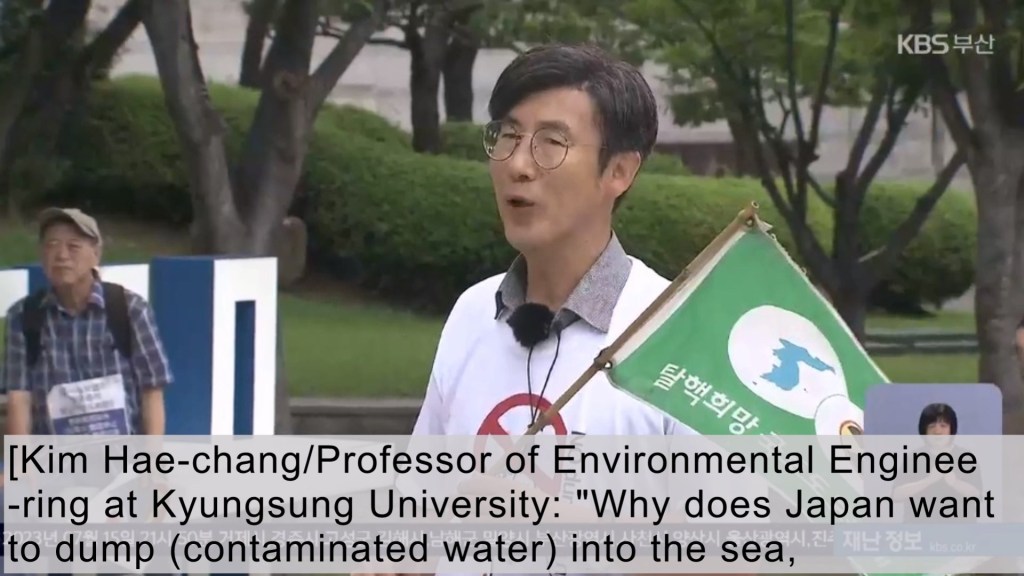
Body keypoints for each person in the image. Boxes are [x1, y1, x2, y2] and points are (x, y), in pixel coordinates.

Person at [412, 44, 695, 440]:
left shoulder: (676, 339)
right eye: (509, 135)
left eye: (552, 142)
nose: (517, 164)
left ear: (619, 171)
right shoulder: (471, 314)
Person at [1, 208, 174, 437]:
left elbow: (151, 391)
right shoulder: (23, 317)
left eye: (73, 246)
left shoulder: (129, 309)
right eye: (52, 245)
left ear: (96, 254)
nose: (61, 255)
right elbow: (19, 398)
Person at [891, 403, 983, 522]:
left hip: (959, 528)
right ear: (924, 430)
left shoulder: (966, 458)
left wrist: (954, 482)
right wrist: (929, 480)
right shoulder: (913, 458)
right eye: (931, 426)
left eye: (943, 426)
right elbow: (896, 495)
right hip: (919, 527)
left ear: (951, 429)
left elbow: (977, 496)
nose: (937, 431)